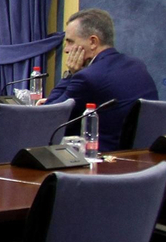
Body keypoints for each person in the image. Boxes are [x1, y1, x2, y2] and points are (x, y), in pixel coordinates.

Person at [42, 8, 158, 152]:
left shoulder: (88, 77)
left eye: (70, 42)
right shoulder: (137, 66)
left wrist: (69, 75)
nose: (66, 49)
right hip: (140, 161)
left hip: (100, 164)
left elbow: (46, 119)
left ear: (93, 42)